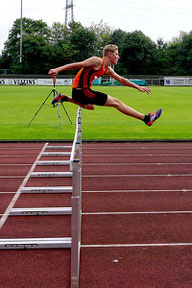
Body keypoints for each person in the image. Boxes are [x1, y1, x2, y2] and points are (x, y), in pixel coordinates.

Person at [48, 44, 162, 126]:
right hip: (81, 91)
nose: (118, 57)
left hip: (80, 93)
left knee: (90, 107)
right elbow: (77, 64)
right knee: (117, 102)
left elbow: (121, 80)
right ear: (110, 54)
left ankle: (64, 98)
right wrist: (58, 70)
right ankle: (147, 119)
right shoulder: (97, 61)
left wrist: (138, 87)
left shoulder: (106, 69)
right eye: (116, 54)